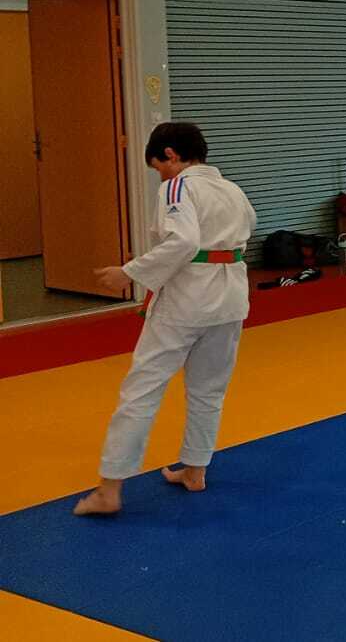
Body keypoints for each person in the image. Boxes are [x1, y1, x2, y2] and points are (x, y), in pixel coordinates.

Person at [74, 122, 257, 516]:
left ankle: (109, 490)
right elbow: (248, 229)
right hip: (231, 297)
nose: (159, 175)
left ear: (171, 155)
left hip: (188, 300)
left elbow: (184, 241)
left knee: (142, 388)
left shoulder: (177, 187)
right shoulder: (232, 189)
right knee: (208, 390)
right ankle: (195, 471)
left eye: (158, 166)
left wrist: (130, 272)